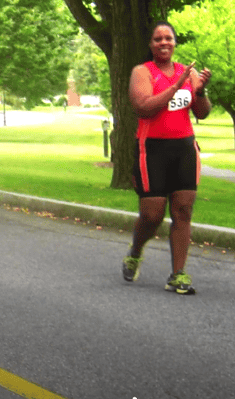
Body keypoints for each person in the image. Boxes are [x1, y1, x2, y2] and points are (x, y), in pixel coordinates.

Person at [122, 21, 211, 294]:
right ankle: (135, 251)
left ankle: (178, 274)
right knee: (152, 214)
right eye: (158, 39)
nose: (164, 43)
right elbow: (144, 107)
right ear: (150, 44)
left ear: (174, 42)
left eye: (168, 38)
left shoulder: (188, 72)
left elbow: (202, 112)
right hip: (153, 150)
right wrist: (176, 87)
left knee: (183, 210)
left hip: (184, 148)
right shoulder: (142, 72)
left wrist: (200, 91)